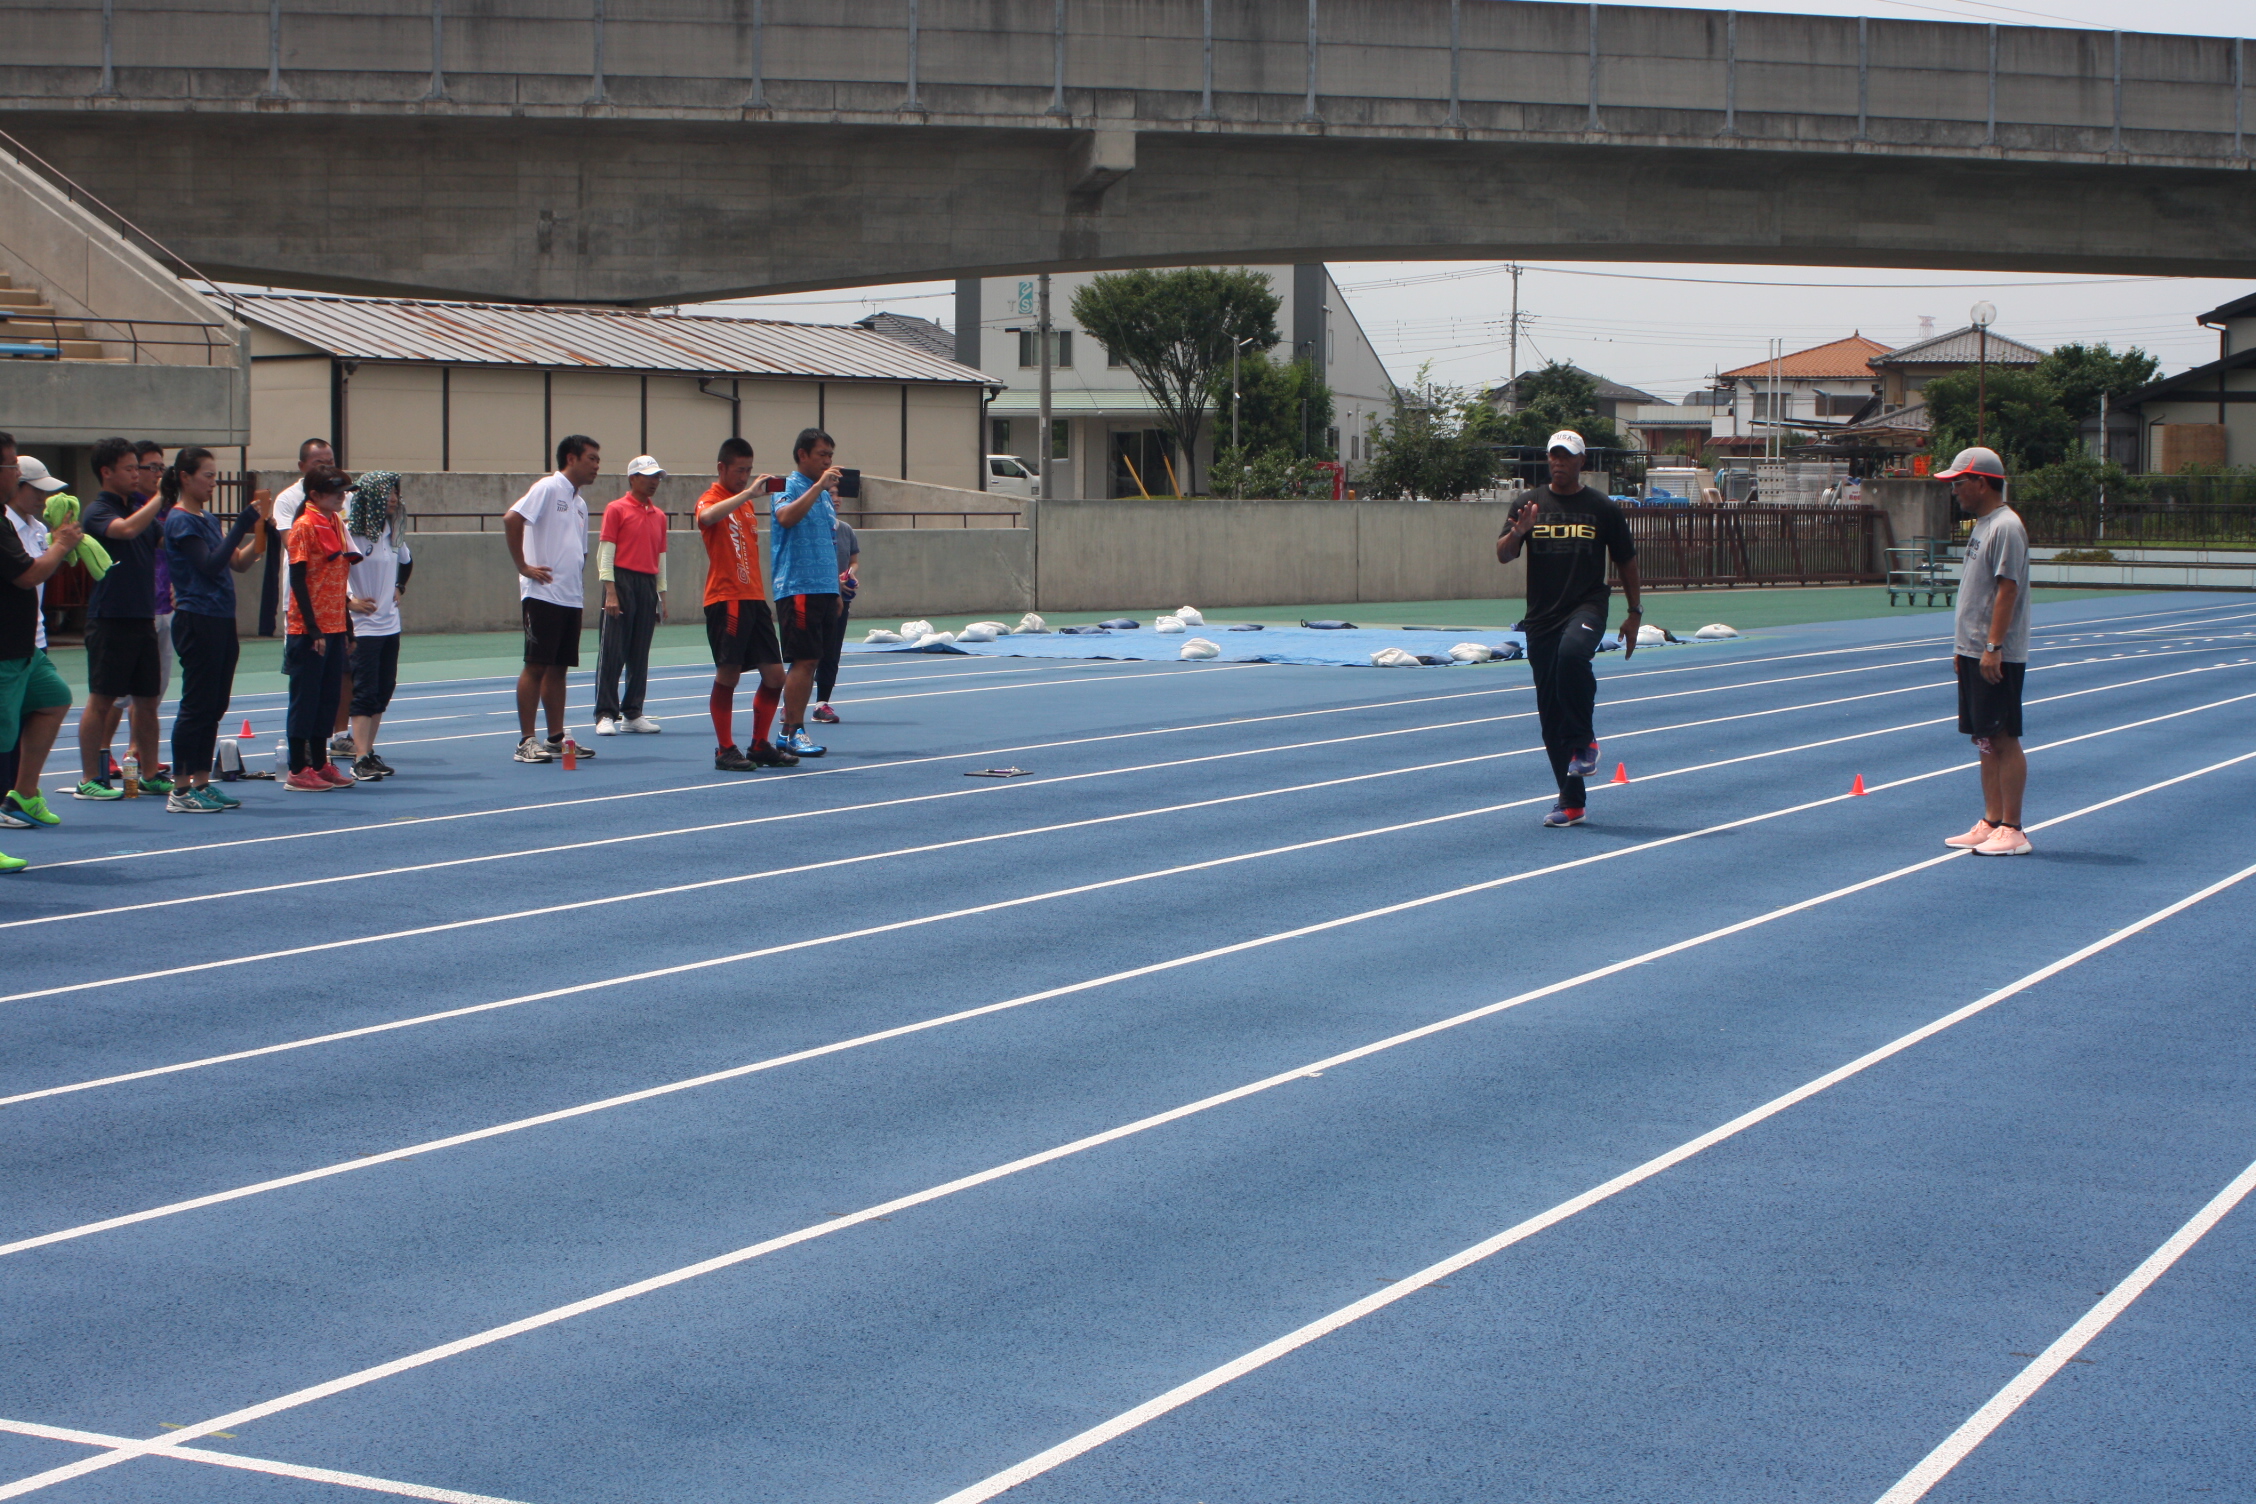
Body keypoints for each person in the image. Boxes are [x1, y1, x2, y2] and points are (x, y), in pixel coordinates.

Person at [1496, 429, 1643, 829]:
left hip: (1587, 606)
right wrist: (1519, 531)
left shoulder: (1601, 507)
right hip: (1541, 616)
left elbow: (1626, 560)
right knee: (1549, 714)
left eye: (1567, 457)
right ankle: (1572, 801)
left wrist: (1634, 612)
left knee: (1573, 654)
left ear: (1582, 462)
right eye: (1553, 456)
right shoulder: (1528, 503)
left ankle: (1585, 742)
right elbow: (1504, 555)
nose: (1559, 463)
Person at [159, 447, 269, 811]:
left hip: (221, 617)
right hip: (197, 617)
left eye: (215, 475)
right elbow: (207, 565)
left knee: (215, 704)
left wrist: (258, 537)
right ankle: (180, 787)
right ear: (185, 477)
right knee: (196, 703)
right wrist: (240, 525)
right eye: (207, 475)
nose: (213, 482)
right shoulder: (180, 521)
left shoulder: (205, 518)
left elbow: (234, 562)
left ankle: (202, 780)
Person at [1937, 447, 2033, 857]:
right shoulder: (1982, 525)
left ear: (1981, 482)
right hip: (1975, 649)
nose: (1955, 490)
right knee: (1985, 739)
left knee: (2003, 736)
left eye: (1959, 482)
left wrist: (1992, 647)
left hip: (1997, 653)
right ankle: (1991, 820)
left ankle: (2013, 828)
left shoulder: (2006, 526)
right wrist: (1966, 648)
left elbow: (2007, 589)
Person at [0, 432, 85, 868]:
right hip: (4, 652)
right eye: (11, 466)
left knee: (54, 698)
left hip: (26, 647)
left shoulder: (18, 523)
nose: (15, 474)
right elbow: (28, 576)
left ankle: (26, 793)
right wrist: (62, 545)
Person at [74, 437, 173, 800]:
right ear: (106, 472)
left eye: (139, 467)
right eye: (130, 468)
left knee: (147, 700)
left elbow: (168, 541)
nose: (138, 474)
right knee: (101, 699)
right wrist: (162, 497)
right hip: (110, 617)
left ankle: (148, 771)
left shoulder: (141, 508)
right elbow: (125, 530)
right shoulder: (98, 510)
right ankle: (89, 778)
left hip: (142, 616)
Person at [696, 437, 797, 771]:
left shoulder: (747, 506)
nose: (745, 476)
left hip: (754, 598)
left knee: (775, 675)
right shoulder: (713, 498)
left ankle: (758, 743)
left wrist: (749, 497)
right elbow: (707, 518)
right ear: (722, 468)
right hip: (727, 598)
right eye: (739, 470)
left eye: (749, 471)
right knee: (729, 674)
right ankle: (725, 748)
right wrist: (748, 493)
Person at [506, 435, 600, 764]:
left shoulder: (580, 502)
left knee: (559, 668)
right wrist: (523, 566)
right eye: (591, 458)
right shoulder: (548, 488)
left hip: (570, 597)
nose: (597, 465)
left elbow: (581, 550)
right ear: (571, 458)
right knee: (536, 665)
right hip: (542, 593)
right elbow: (512, 518)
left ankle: (556, 737)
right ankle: (526, 741)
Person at [272, 437, 357, 757]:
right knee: (305, 695)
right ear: (315, 493)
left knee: (327, 694)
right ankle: (298, 765)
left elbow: (340, 576)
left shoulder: (334, 519)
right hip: (309, 624)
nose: (342, 498)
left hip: (334, 619)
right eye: (336, 493)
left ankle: (321, 763)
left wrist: (346, 625)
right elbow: (298, 575)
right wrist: (313, 627)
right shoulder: (304, 523)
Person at [770, 428, 845, 758]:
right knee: (803, 660)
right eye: (821, 455)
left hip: (824, 588)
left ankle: (794, 728)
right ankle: (792, 730)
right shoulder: (785, 486)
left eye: (830, 455)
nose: (828, 462)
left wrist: (836, 589)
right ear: (802, 455)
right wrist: (818, 486)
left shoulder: (826, 497)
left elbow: (830, 542)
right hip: (798, 587)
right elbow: (785, 517)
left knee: (813, 659)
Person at [593, 454, 669, 736]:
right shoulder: (616, 509)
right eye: (649, 476)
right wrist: (610, 591)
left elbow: (661, 556)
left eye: (657, 477)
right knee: (612, 651)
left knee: (640, 652)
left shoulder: (659, 516)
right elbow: (606, 553)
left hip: (646, 585)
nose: (654, 482)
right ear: (633, 478)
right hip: (621, 582)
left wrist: (661, 594)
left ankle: (633, 712)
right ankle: (605, 713)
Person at [344, 470, 410, 782]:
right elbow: (332, 571)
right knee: (364, 691)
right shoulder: (352, 533)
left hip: (389, 625)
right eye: (387, 492)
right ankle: (358, 757)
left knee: (384, 690)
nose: (394, 497)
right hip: (363, 626)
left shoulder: (392, 531)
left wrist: (400, 587)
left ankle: (369, 752)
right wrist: (349, 601)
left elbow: (407, 563)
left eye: (396, 491)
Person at [810, 515, 859, 724]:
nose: (835, 499)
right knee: (807, 654)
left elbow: (853, 561)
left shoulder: (846, 529)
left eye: (837, 494)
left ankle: (822, 704)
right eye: (830, 493)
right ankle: (789, 705)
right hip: (813, 596)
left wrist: (848, 575)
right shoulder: (809, 528)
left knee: (831, 652)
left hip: (839, 600)